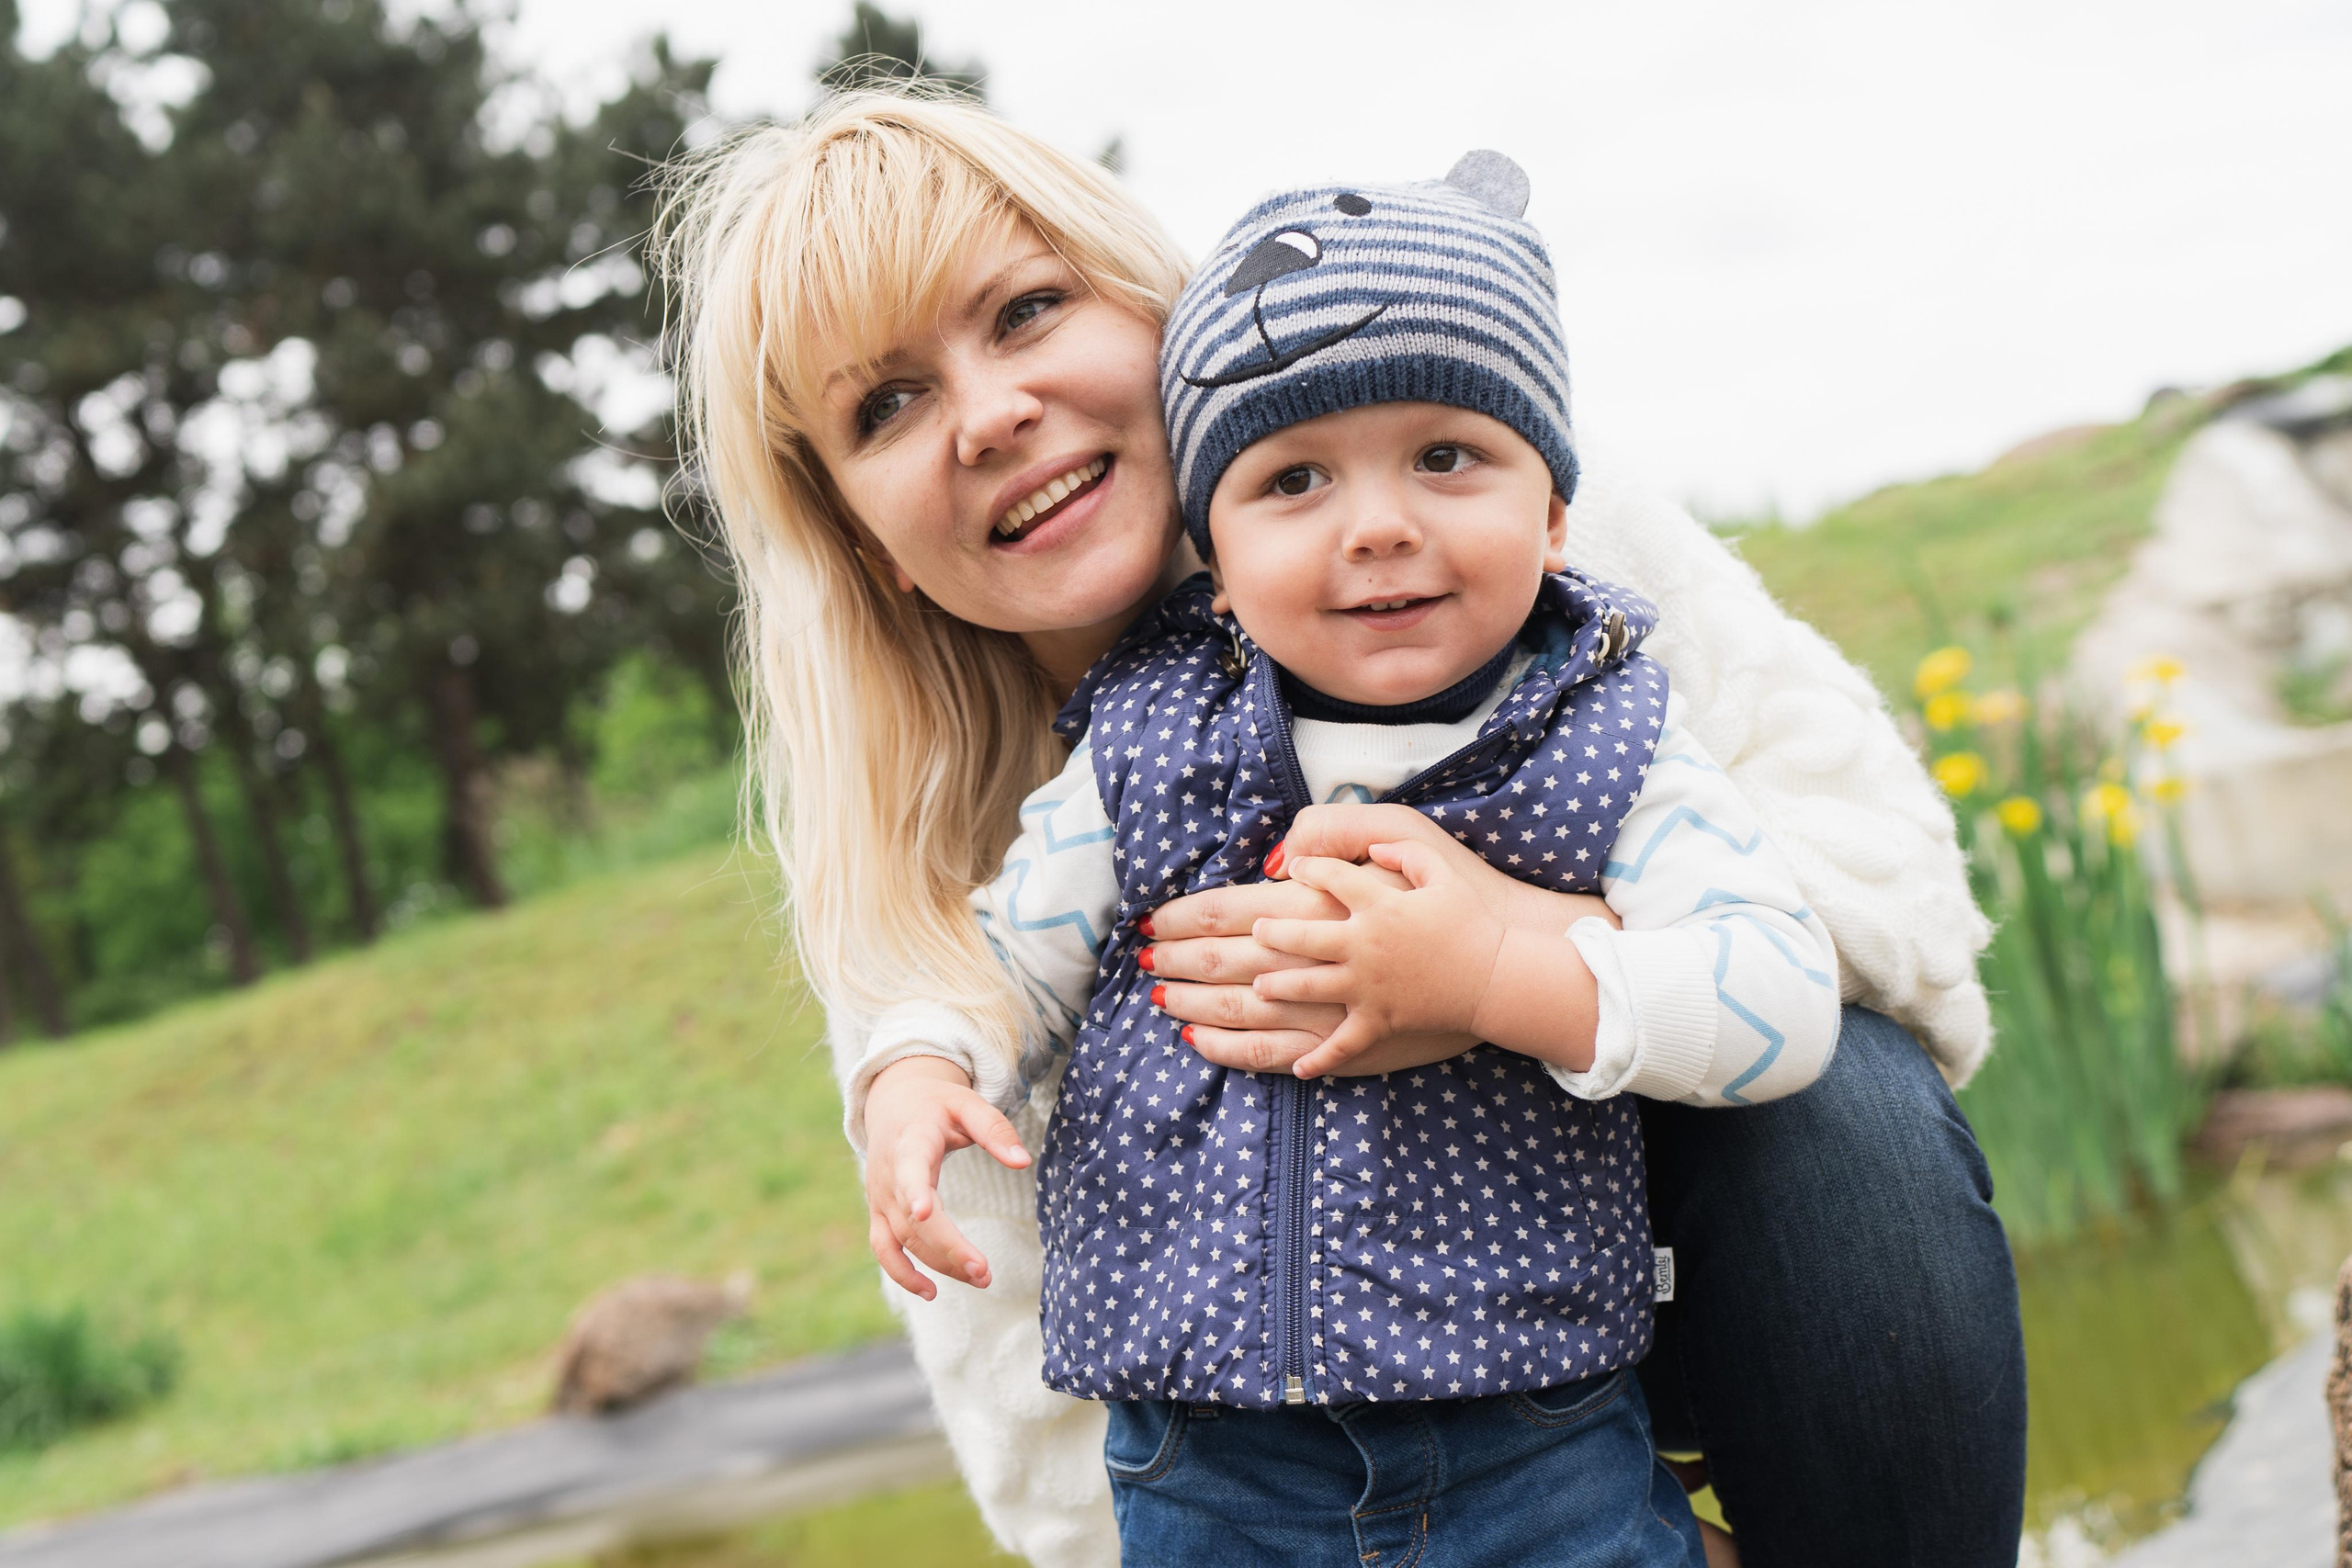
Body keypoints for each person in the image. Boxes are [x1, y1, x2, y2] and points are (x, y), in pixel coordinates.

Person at [655, 87, 2025, 1568]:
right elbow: (1030, 1397)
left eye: (1027, 310)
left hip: (1602, 1317)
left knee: (1854, 1117)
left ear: (1152, 312)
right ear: (863, 536)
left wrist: (1495, 962)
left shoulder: (1480, 501)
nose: (990, 416)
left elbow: (1902, 921)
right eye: (887, 404)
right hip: (1259, 1465)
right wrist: (914, 1064)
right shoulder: (948, 849)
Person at [843, 152, 1842, 1565]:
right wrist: (920, 1067)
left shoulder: (1608, 737)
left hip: (1532, 1429)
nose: (1378, 523)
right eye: (1294, 479)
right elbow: (1005, 956)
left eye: (1446, 457)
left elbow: (1783, 1001)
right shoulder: (1140, 746)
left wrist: (1499, 966)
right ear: (1217, 551)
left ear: (1554, 513)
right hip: (1206, 1459)